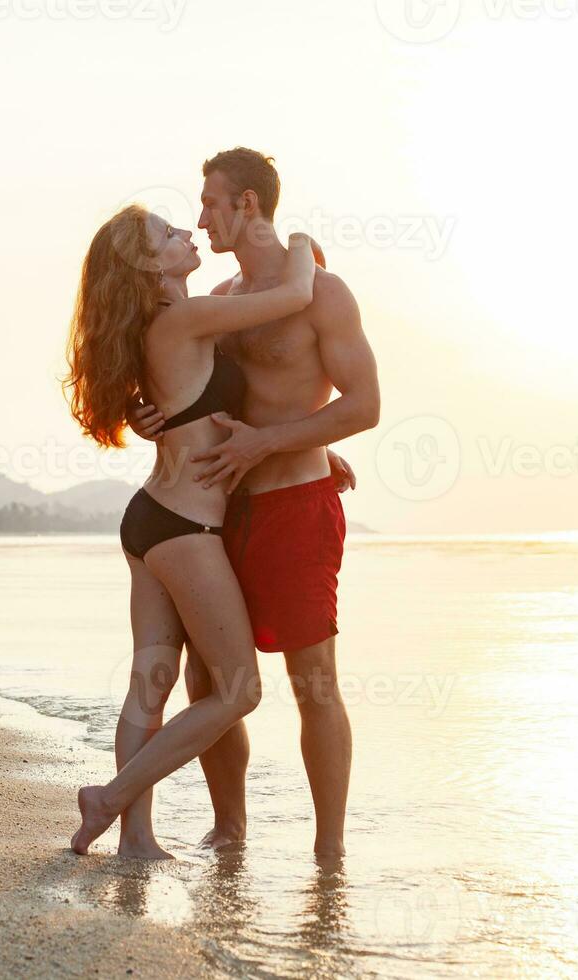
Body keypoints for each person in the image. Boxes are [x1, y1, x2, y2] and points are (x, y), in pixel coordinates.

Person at [130, 149, 380, 858]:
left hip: (296, 508)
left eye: (209, 203)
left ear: (246, 205)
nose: (200, 217)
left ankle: (329, 852)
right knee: (211, 677)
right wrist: (149, 412)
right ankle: (230, 828)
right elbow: (191, 386)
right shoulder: (229, 295)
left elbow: (365, 405)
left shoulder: (323, 292)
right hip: (223, 512)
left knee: (314, 685)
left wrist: (278, 445)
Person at [63, 203, 325, 859]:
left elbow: (210, 412)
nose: (185, 233)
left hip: (151, 520)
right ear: (149, 265)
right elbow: (296, 291)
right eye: (168, 234)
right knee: (239, 690)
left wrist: (306, 449)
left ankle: (137, 841)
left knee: (150, 684)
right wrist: (299, 238)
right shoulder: (184, 317)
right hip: (184, 528)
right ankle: (111, 798)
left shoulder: (166, 325)